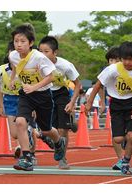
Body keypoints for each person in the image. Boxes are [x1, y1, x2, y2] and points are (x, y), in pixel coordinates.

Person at [85, 41, 132, 175]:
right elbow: (98, 85)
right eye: (124, 59)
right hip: (116, 104)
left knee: (130, 135)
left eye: (131, 59)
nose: (127, 62)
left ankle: (126, 162)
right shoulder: (113, 69)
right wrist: (89, 102)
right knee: (118, 139)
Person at [9, 23, 66, 171]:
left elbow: (51, 77)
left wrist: (34, 87)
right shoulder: (13, 55)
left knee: (46, 130)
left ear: (31, 43)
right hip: (26, 95)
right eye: (16, 41)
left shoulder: (39, 58)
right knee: (20, 122)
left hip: (43, 95)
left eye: (23, 41)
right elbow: (15, 67)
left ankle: (59, 142)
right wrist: (13, 79)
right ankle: (27, 157)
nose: (19, 45)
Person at [38, 35, 81, 169]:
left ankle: (63, 158)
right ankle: (70, 123)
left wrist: (72, 102)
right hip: (45, 94)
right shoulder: (36, 64)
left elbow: (77, 84)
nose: (42, 54)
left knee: (63, 129)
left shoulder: (65, 65)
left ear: (55, 52)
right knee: (47, 130)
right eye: (40, 51)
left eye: (46, 51)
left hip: (61, 94)